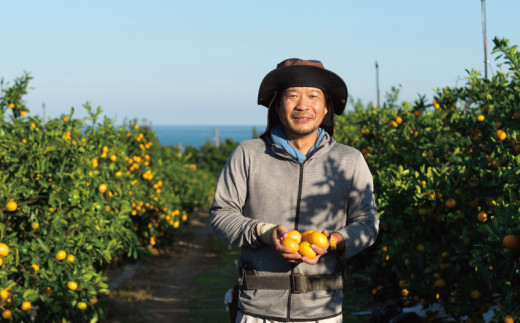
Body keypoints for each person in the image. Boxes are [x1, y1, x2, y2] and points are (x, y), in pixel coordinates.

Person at [210, 58, 379, 323]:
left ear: (325, 108)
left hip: (323, 313)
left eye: (313, 96)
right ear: (277, 106)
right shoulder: (249, 154)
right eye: (292, 96)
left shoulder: (349, 161)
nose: (303, 105)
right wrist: (264, 233)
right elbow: (221, 214)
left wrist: (334, 241)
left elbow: (368, 224)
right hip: (257, 312)